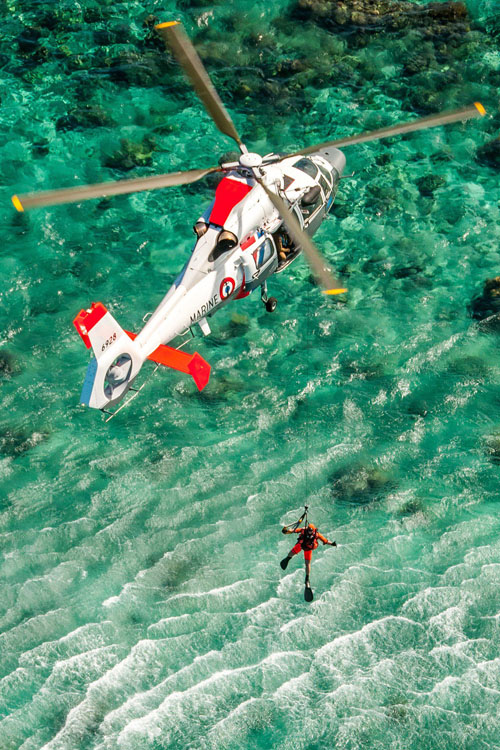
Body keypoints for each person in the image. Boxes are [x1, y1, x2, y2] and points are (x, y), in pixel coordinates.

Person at [281, 522, 336, 589]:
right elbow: (294, 530)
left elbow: (325, 540)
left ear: (313, 530)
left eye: (311, 531)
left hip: (308, 549)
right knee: (290, 554)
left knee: (307, 564)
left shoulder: (317, 535)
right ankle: (287, 559)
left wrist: (332, 544)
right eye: (309, 530)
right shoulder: (303, 530)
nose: (309, 532)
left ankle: (307, 579)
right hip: (301, 545)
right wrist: (286, 531)